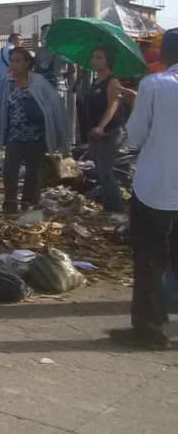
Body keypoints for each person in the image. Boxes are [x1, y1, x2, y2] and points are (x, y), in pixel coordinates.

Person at [109, 29, 178, 350]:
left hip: (158, 188)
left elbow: (135, 136)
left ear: (164, 54)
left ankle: (151, 329)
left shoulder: (156, 85)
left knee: (150, 260)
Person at [0, 48, 68, 214]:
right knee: (10, 171)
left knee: (33, 173)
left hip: (35, 137)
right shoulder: (6, 83)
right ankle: (10, 205)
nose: (13, 64)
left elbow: (53, 105)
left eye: (18, 60)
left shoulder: (38, 82)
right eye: (12, 60)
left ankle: (29, 204)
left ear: (27, 63)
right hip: (14, 136)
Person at [85, 46, 128, 213]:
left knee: (106, 171)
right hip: (95, 134)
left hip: (109, 133)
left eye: (99, 57)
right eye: (93, 57)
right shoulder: (95, 80)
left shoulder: (113, 81)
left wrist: (100, 127)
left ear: (108, 61)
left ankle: (116, 209)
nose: (94, 60)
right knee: (101, 171)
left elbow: (112, 107)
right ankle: (108, 207)